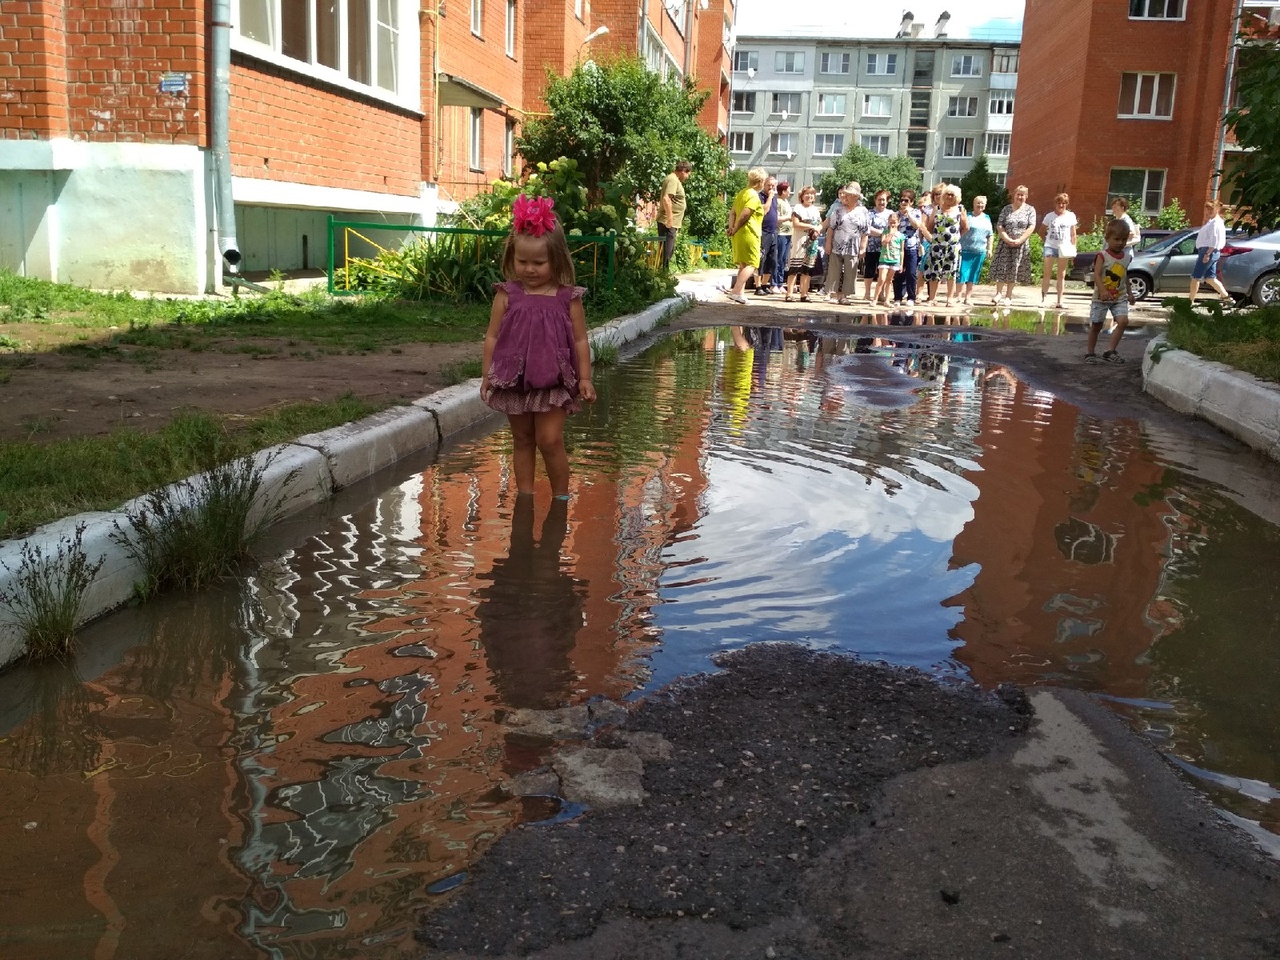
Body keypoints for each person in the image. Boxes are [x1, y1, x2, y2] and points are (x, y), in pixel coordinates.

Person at [481, 194, 597, 497]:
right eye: (522, 261)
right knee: (521, 440)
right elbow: (492, 336)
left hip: (553, 380)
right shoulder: (506, 295)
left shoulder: (567, 298)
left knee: (549, 440)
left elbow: (581, 340)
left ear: (556, 259)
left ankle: (561, 497)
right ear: (512, 258)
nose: (529, 269)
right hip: (513, 379)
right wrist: (486, 376)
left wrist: (584, 377)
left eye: (538, 262)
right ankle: (525, 497)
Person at [1086, 218, 1135, 364]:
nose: (1120, 243)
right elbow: (1096, 274)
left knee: (1123, 321)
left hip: (1119, 297)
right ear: (1107, 238)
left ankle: (1110, 350)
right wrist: (1102, 290)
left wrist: (1130, 292)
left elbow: (1124, 276)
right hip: (1101, 298)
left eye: (1124, 239)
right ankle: (1090, 353)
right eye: (1117, 239)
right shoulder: (1102, 256)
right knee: (1096, 325)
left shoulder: (1127, 257)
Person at [990, 184, 1037, 306]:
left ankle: (1008, 296)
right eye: (1018, 194)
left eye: (1022, 195)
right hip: (1005, 243)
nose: (1020, 197)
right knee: (1002, 267)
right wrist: (1006, 238)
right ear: (1014, 195)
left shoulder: (1030, 210)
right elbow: (1000, 225)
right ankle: (998, 294)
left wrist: (1020, 240)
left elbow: (1031, 226)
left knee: (1014, 269)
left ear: (1026, 197)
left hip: (1020, 245)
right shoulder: (1006, 209)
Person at [823, 182, 870, 305]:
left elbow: (865, 231)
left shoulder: (863, 211)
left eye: (849, 195)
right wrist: (828, 243)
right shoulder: (838, 210)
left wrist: (863, 247)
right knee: (834, 270)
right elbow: (831, 227)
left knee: (850, 271)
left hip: (853, 246)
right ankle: (833, 294)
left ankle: (844, 295)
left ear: (856, 197)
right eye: (845, 194)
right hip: (837, 244)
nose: (845, 197)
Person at [725, 167, 766, 303]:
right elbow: (745, 214)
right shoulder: (753, 195)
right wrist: (736, 228)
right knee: (752, 263)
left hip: (739, 234)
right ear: (760, 181)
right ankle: (736, 291)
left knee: (743, 264)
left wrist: (731, 228)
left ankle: (740, 293)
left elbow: (733, 213)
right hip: (749, 233)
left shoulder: (742, 193)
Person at [921, 184, 967, 307]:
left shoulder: (960, 209)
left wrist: (956, 238)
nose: (949, 196)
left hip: (952, 247)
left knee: (951, 273)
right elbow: (930, 226)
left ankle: (950, 299)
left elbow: (965, 227)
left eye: (952, 194)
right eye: (947, 194)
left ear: (956, 196)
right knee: (934, 272)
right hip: (937, 246)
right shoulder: (937, 208)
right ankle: (932, 299)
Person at [1188, 199, 1232, 306]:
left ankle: (1190, 302)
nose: (1208, 211)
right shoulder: (1212, 222)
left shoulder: (1215, 223)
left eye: (1211, 209)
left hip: (1208, 251)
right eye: (1207, 209)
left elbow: (1214, 239)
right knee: (1210, 278)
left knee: (1195, 277)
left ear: (1217, 209)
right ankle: (1227, 299)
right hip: (1210, 251)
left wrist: (1207, 254)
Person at [784, 184, 823, 302]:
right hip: (799, 241)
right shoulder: (798, 208)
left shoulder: (815, 210)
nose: (809, 196)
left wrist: (818, 230)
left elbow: (820, 224)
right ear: (802, 196)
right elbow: (796, 224)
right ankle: (789, 294)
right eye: (807, 194)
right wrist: (812, 226)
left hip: (812, 242)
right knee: (794, 268)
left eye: (812, 194)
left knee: (808, 269)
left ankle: (804, 294)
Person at [1041, 193, 1078, 309]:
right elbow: (1041, 231)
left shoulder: (1071, 216)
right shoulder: (1049, 216)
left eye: (1063, 203)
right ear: (1055, 204)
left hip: (1065, 248)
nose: (1061, 205)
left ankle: (1059, 300)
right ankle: (1043, 299)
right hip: (1050, 247)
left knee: (1061, 275)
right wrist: (1046, 241)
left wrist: (1073, 250)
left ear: (1066, 204)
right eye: (1059, 203)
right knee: (1047, 273)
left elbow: (1073, 235)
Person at [958, 194, 993, 306]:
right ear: (973, 204)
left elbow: (990, 234)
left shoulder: (987, 218)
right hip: (965, 249)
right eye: (978, 202)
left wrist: (989, 249)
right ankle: (958, 296)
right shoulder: (967, 216)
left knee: (973, 275)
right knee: (962, 274)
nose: (980, 205)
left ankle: (968, 297)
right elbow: (959, 229)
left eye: (982, 203)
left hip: (979, 251)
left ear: (985, 205)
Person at [656, 159, 692, 270]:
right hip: (668, 223)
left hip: (670, 222)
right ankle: (663, 276)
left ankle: (663, 276)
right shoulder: (673, 180)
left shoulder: (673, 179)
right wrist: (670, 219)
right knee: (667, 252)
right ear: (683, 171)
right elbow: (667, 199)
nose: (687, 177)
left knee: (667, 251)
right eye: (688, 174)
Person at [893, 189, 923, 306]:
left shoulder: (916, 212)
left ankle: (911, 297)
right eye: (902, 200)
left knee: (911, 273)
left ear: (911, 202)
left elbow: (917, 226)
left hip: (911, 246)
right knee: (898, 273)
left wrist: (908, 213)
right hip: (898, 247)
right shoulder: (896, 214)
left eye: (906, 200)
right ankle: (897, 297)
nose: (903, 203)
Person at [862, 190, 892, 301]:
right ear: (875, 200)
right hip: (871, 246)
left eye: (884, 200)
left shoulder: (891, 214)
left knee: (883, 271)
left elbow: (893, 228)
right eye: (879, 199)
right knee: (869, 270)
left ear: (887, 201)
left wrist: (886, 235)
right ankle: (867, 293)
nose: (881, 202)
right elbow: (868, 228)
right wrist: (882, 233)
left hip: (886, 248)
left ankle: (881, 293)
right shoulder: (870, 214)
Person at [756, 175, 779, 295]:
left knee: (772, 260)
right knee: (761, 259)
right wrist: (769, 197)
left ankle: (765, 285)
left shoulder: (775, 198)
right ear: (764, 185)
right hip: (763, 231)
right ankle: (758, 286)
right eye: (769, 185)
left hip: (773, 231)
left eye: (773, 186)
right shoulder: (761, 197)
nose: (771, 188)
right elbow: (764, 210)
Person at [874, 211, 903, 305]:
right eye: (890, 222)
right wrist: (890, 234)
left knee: (889, 280)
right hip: (884, 259)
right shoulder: (885, 233)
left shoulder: (901, 236)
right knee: (881, 279)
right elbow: (883, 243)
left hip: (895, 260)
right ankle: (875, 299)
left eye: (894, 222)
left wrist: (901, 264)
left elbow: (902, 251)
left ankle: (887, 300)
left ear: (898, 222)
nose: (892, 224)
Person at [773, 181, 793, 290]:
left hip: (789, 233)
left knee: (784, 260)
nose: (790, 192)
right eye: (789, 189)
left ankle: (780, 283)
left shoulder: (786, 202)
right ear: (784, 191)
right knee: (778, 259)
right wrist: (788, 218)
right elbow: (776, 218)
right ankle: (774, 283)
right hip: (780, 233)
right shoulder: (778, 202)